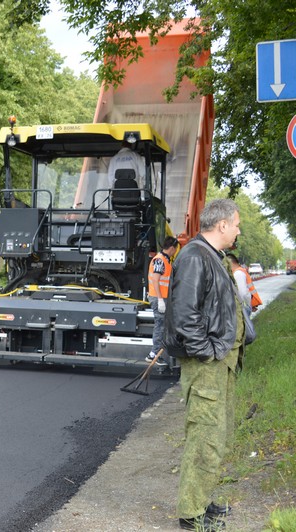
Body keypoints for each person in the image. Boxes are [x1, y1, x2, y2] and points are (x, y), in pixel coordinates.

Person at [164, 198, 245, 531]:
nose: (239, 230)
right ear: (222, 224)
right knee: (204, 438)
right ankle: (192, 515)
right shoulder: (196, 257)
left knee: (215, 435)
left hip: (219, 363)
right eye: (237, 224)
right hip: (207, 364)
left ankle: (200, 500)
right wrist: (208, 352)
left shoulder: (210, 256)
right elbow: (185, 316)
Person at [145, 235, 179, 365]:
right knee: (160, 326)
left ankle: (156, 352)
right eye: (175, 249)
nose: (175, 251)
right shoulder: (159, 260)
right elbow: (155, 279)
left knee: (163, 326)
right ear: (171, 248)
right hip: (159, 298)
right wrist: (160, 299)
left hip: (163, 298)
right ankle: (153, 354)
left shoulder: (165, 260)